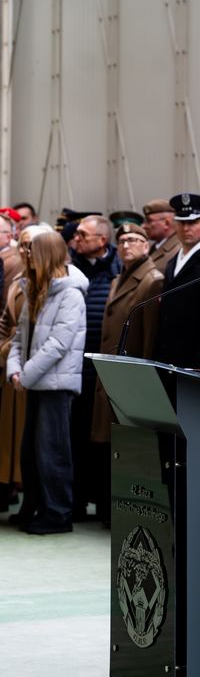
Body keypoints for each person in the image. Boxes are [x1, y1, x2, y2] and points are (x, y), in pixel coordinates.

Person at [6, 231, 88, 534]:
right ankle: (34, 506)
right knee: (30, 451)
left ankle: (57, 514)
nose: (25, 254)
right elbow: (19, 337)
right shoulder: (34, 289)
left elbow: (58, 344)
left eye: (31, 249)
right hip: (33, 380)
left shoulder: (70, 294)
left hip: (55, 384)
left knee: (52, 451)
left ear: (46, 254)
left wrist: (24, 375)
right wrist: (15, 369)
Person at [91, 223, 163, 521]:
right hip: (112, 373)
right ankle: (110, 508)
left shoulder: (151, 280)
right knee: (111, 443)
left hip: (131, 376)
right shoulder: (118, 278)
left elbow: (149, 335)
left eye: (134, 239)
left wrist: (143, 379)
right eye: (121, 240)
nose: (126, 245)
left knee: (130, 445)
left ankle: (128, 510)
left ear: (147, 245)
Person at [69, 215, 121, 519]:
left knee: (103, 440)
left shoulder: (118, 269)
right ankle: (76, 501)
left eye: (83, 234)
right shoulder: (70, 267)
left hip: (104, 369)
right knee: (75, 437)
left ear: (102, 240)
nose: (77, 238)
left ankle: (104, 504)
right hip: (77, 368)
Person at [0, 224, 53, 514]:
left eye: (30, 245)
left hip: (36, 371)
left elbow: (53, 338)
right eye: (21, 244)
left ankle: (33, 499)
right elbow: (8, 323)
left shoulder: (52, 283)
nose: (24, 250)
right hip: (13, 364)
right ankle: (13, 487)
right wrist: (5, 352)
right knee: (13, 436)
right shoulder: (20, 279)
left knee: (35, 442)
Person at [156, 193, 200, 368]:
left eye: (192, 222)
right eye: (182, 222)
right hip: (167, 354)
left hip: (193, 359)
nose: (186, 228)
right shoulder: (172, 263)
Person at [141, 199, 180, 275]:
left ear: (166, 223)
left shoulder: (179, 250)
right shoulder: (152, 248)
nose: (143, 226)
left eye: (149, 221)